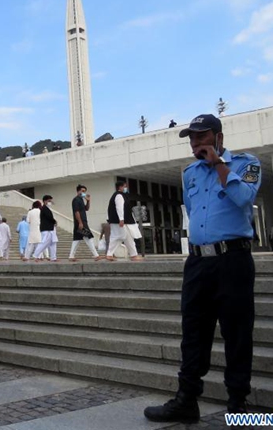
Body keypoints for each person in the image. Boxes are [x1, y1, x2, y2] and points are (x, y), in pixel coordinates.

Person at [144, 113, 261, 422]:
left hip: (232, 260)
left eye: (202, 136)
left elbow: (243, 199)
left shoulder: (246, 164)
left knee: (237, 332)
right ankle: (187, 399)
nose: (196, 143)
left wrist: (219, 164)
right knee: (193, 331)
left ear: (219, 137)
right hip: (198, 262)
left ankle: (237, 405)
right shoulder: (189, 174)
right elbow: (193, 211)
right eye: (192, 138)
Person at [106, 181, 143, 262]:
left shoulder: (119, 195)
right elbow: (119, 208)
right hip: (120, 221)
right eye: (124, 186)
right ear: (120, 187)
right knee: (117, 237)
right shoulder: (119, 196)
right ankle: (109, 254)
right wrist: (121, 219)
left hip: (120, 221)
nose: (126, 188)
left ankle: (133, 255)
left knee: (128, 237)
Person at [70, 184, 101, 261]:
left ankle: (71, 256)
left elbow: (86, 208)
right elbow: (76, 212)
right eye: (82, 191)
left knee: (77, 239)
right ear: (78, 191)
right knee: (88, 237)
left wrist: (88, 201)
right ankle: (96, 255)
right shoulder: (76, 200)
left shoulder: (81, 200)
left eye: (85, 191)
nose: (84, 193)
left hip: (82, 222)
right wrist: (80, 222)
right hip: (81, 222)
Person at [33, 196, 58, 262]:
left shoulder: (47, 209)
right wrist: (54, 221)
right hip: (47, 229)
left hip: (50, 228)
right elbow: (49, 217)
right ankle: (36, 255)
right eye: (49, 201)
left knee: (53, 243)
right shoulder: (44, 209)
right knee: (44, 242)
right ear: (45, 201)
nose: (50, 202)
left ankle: (53, 257)